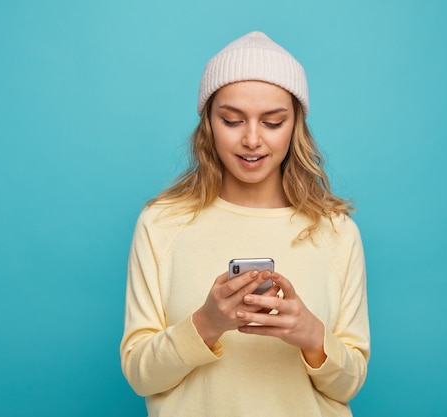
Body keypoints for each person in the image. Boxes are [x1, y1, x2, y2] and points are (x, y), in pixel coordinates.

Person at [120, 31, 370, 417]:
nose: (252, 139)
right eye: (233, 120)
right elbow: (140, 376)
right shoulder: (161, 224)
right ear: (209, 124)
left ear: (295, 127)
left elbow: (350, 384)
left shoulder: (335, 231)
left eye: (272, 123)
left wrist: (311, 336)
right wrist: (206, 323)